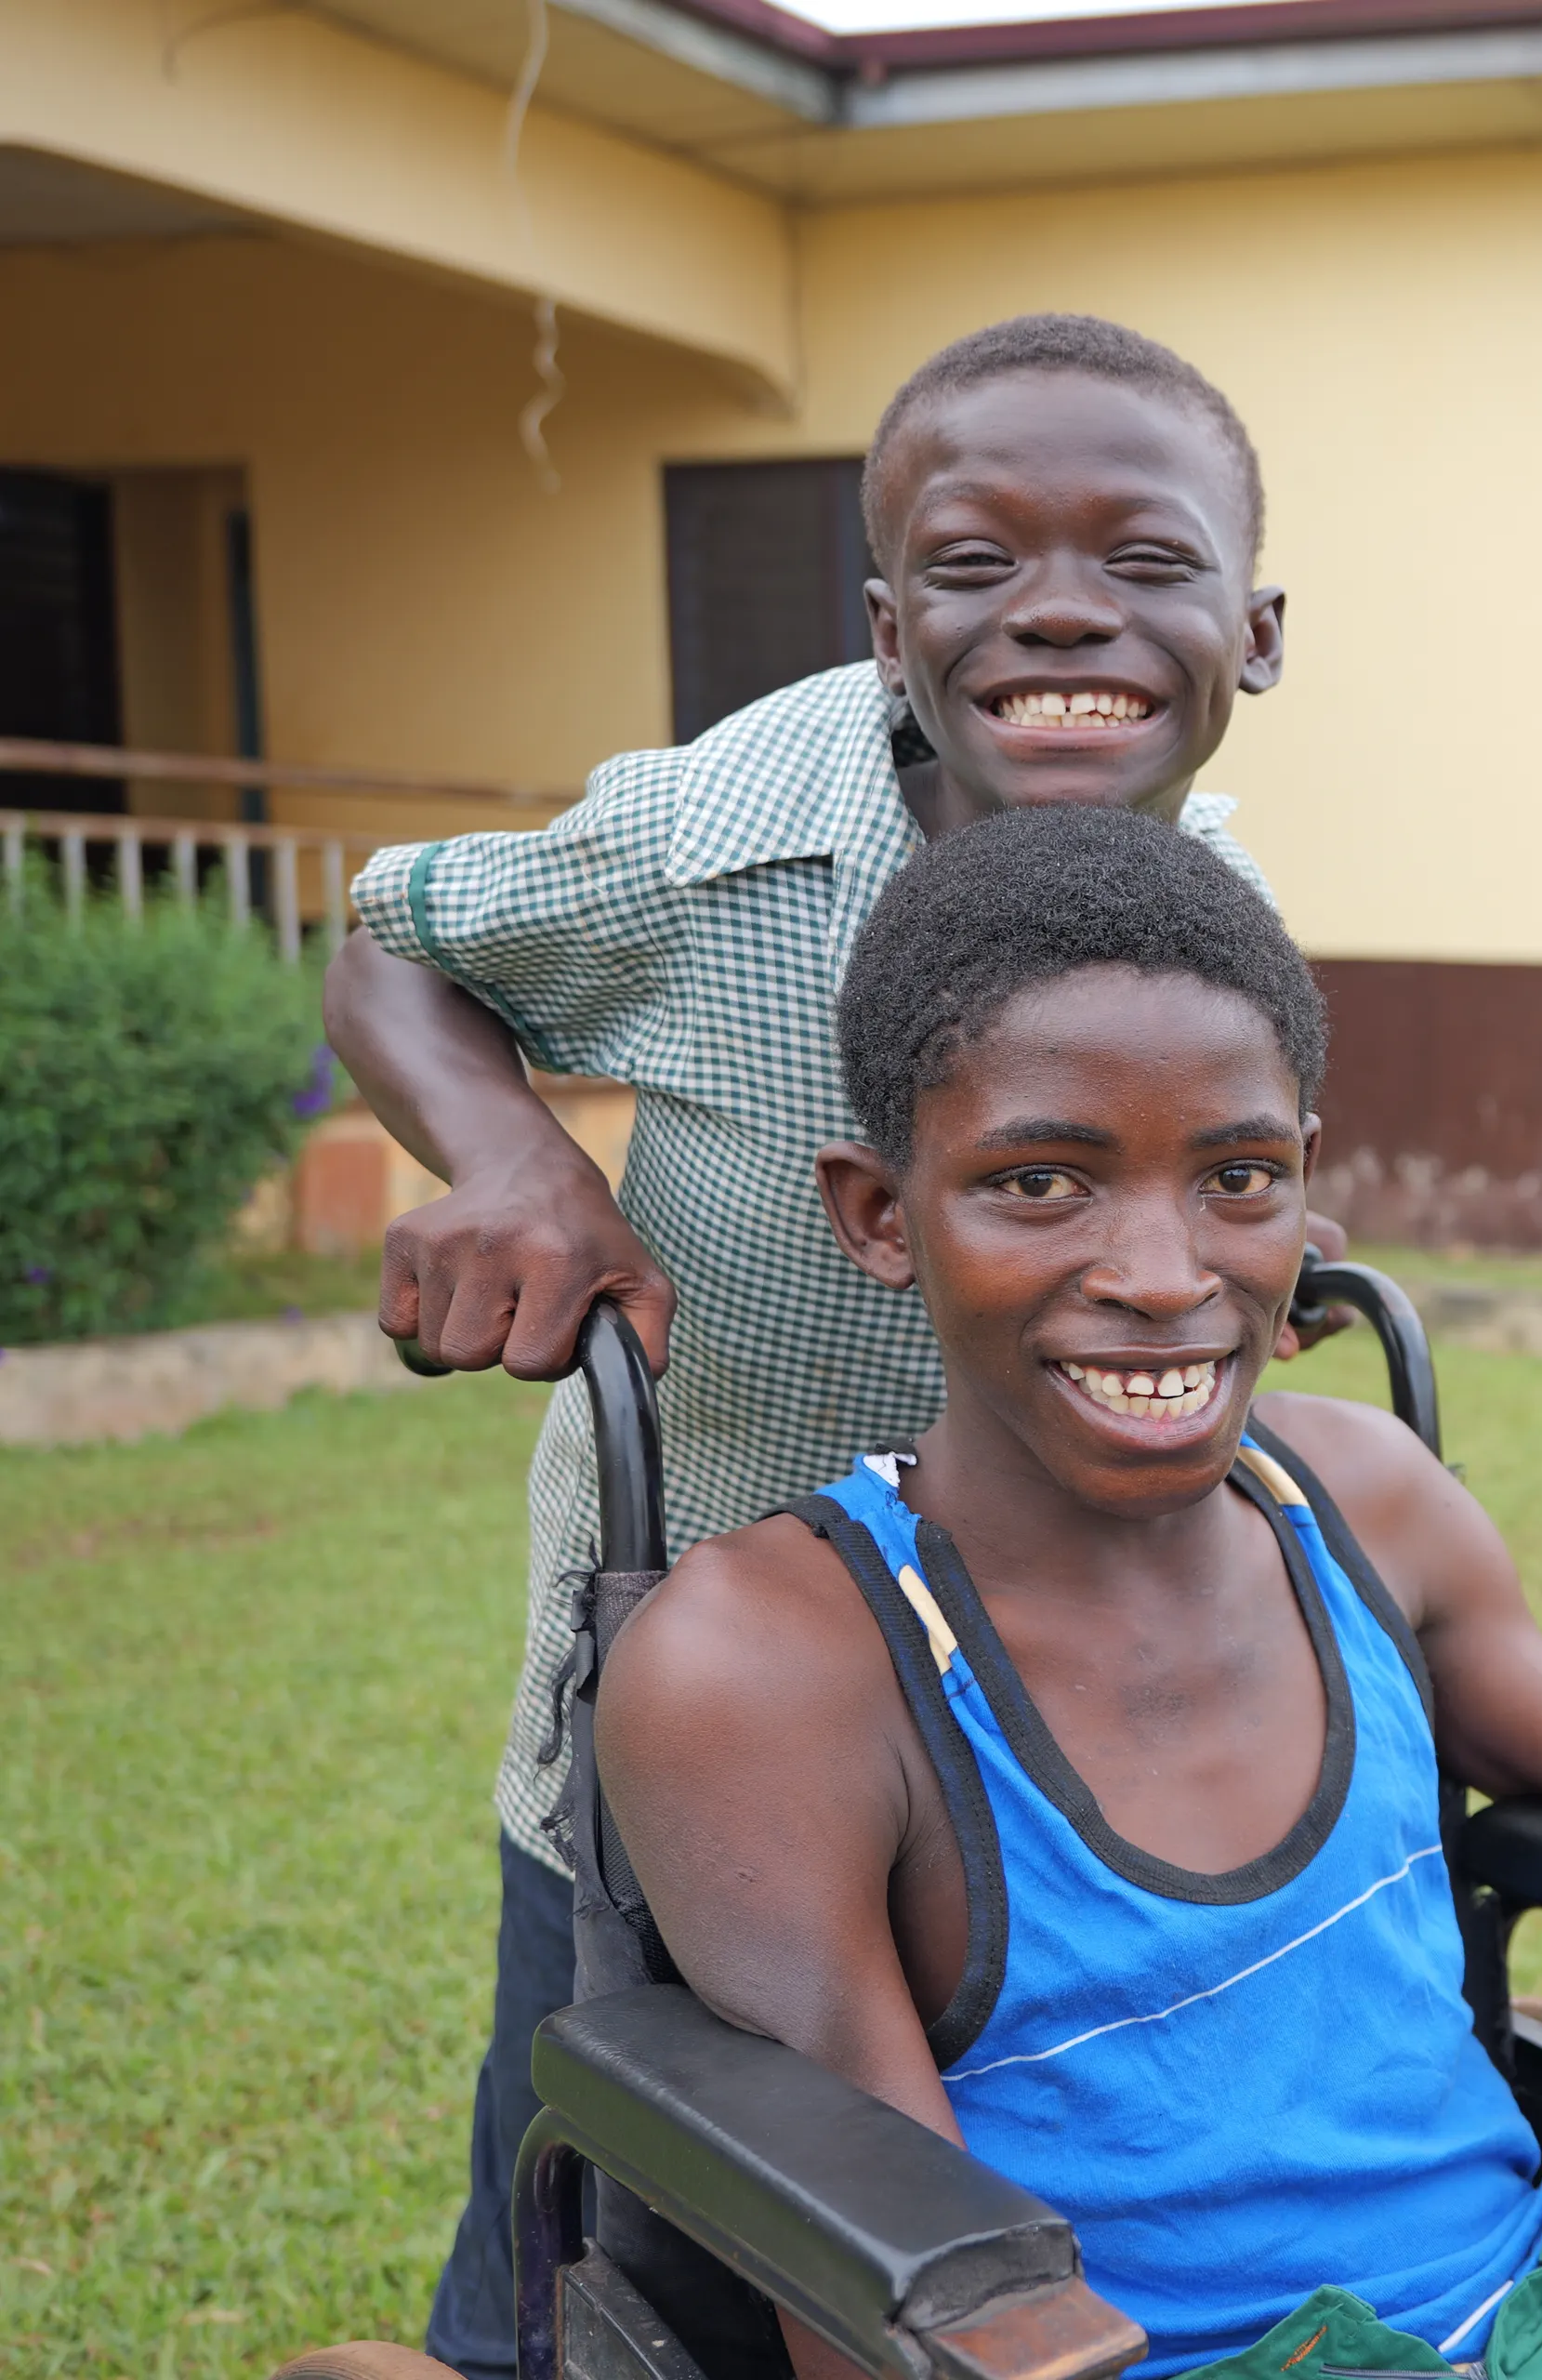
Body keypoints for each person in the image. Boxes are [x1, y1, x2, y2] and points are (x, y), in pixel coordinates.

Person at [595, 803, 1542, 2380]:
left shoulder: (1369, 1505)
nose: (1164, 1274)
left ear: (1306, 1184)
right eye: (1042, 1184)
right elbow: (884, 2284)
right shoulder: (768, 1670)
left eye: (1237, 1176)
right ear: (880, 1215)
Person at [323, 313, 1304, 2380]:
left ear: (1255, 626)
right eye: (974, 564)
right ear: (883, 623)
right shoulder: (713, 842)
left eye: (1145, 562)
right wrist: (517, 1160)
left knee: (997, 2184)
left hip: (1047, 1739)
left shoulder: (1218, 917)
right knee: (607, 2204)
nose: (1058, 612)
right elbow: (393, 935)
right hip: (713, 1694)